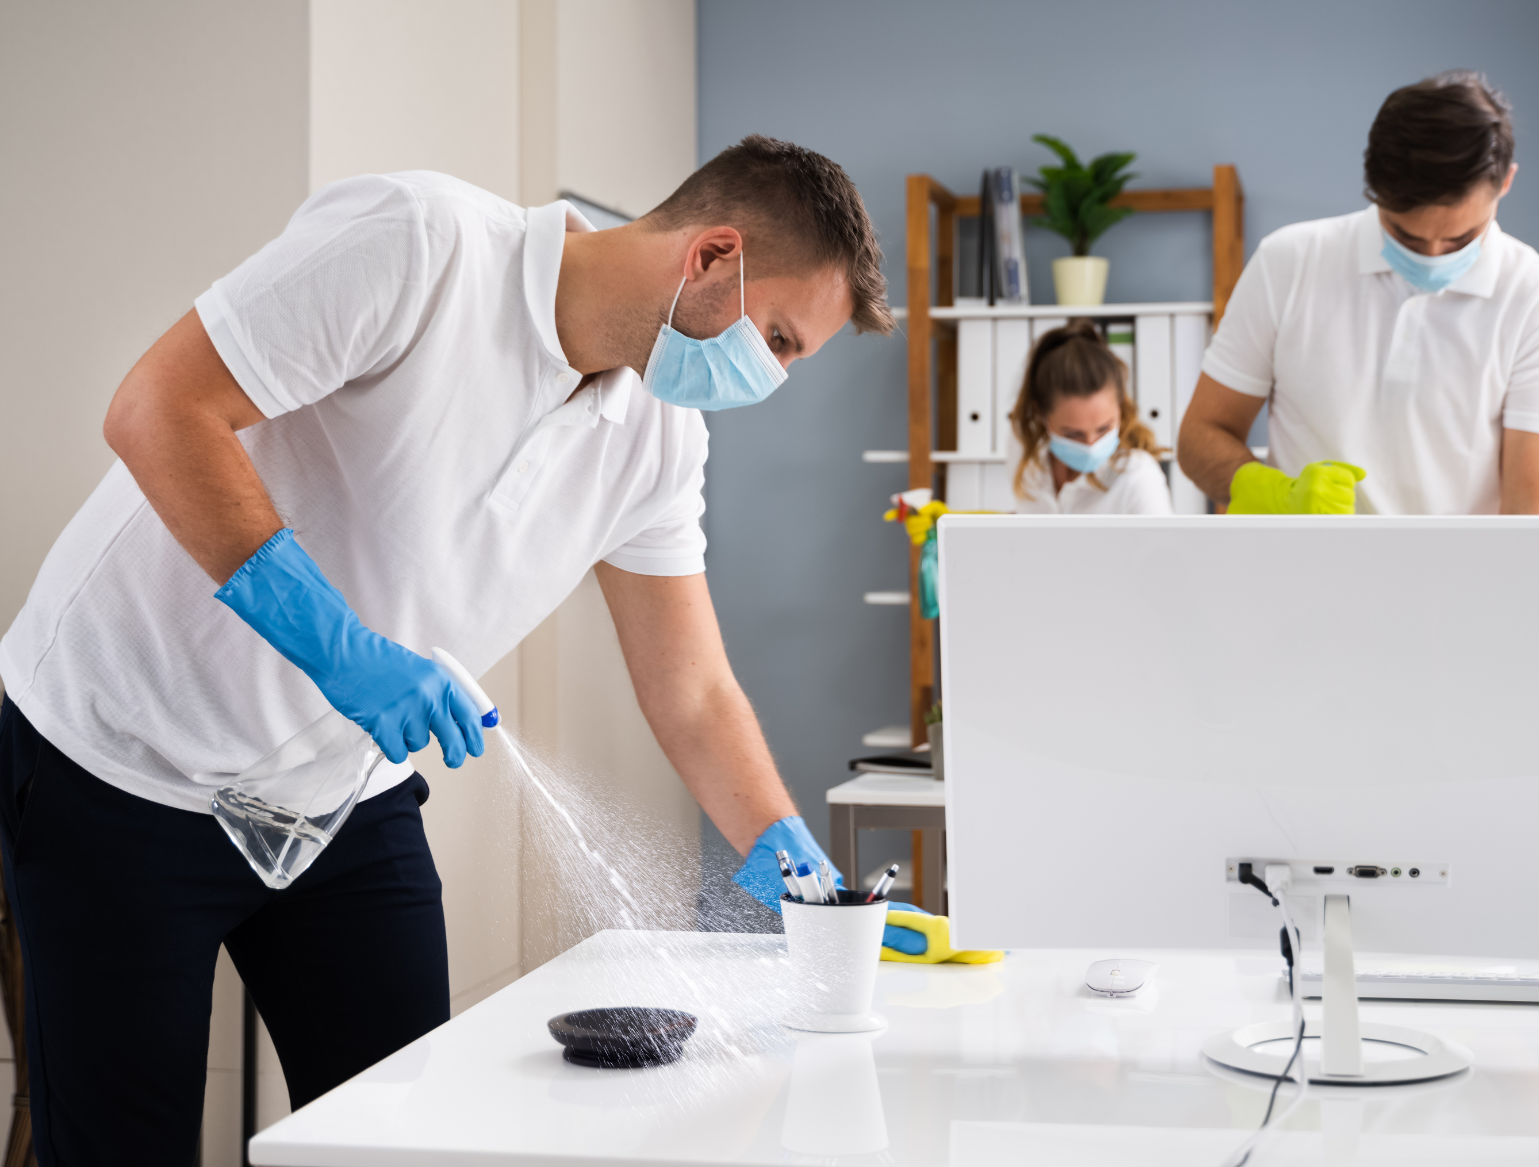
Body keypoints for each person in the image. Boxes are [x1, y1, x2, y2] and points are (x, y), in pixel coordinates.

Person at [0, 136, 908, 1163]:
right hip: (119, 760)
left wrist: (798, 869)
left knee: (405, 1133)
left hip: (339, 791)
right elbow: (157, 408)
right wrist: (341, 650)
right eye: (780, 338)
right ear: (710, 255)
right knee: (123, 1143)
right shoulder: (423, 246)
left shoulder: (661, 436)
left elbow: (692, 688)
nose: (771, 376)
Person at [1178, 71, 1539, 516]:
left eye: (1460, 239)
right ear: (1374, 190)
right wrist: (1269, 491)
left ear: (1506, 183)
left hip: (1462, 582)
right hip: (1300, 576)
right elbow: (1201, 435)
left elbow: (1534, 518)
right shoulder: (1289, 262)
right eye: (1406, 237)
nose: (1433, 255)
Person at [1008, 320, 1173, 515]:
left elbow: (1164, 546)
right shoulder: (1022, 447)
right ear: (1040, 415)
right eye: (1073, 434)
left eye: (1104, 429)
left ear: (1120, 408)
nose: (1091, 445)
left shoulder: (1139, 477)